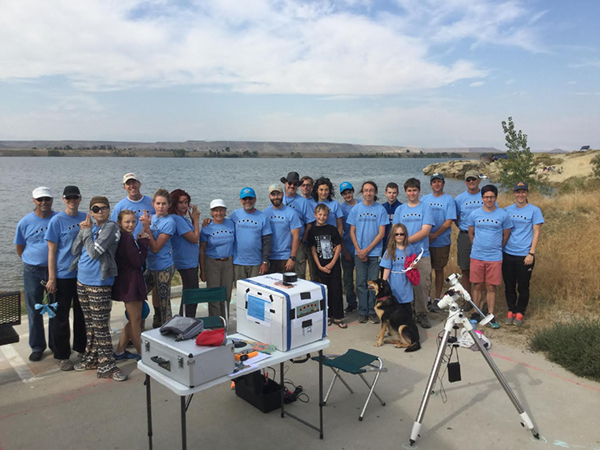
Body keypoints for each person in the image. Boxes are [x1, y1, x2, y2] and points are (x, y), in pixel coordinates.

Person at [70, 196, 125, 381]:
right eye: (95, 208)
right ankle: (92, 358)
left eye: (103, 208)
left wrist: (87, 233)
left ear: (109, 211)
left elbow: (94, 253)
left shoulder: (110, 228)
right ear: (91, 212)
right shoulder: (90, 227)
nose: (100, 211)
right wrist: (83, 231)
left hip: (99, 283)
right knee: (90, 325)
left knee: (101, 327)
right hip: (82, 280)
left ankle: (108, 365)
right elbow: (75, 250)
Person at [45, 186, 87, 371]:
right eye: (68, 197)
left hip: (83, 275)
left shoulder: (86, 217)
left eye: (75, 197)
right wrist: (52, 277)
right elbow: (52, 251)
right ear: (63, 199)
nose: (72, 200)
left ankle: (81, 349)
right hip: (62, 276)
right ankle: (63, 355)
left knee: (82, 315)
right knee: (61, 318)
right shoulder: (56, 221)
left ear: (79, 198)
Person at [14, 187, 57, 362]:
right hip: (33, 271)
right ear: (34, 200)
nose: (44, 202)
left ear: (52, 200)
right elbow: (20, 246)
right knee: (34, 310)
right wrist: (32, 259)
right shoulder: (25, 222)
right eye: (40, 199)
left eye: (47, 199)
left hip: (55, 270)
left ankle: (56, 344)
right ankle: (37, 346)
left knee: (55, 309)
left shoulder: (58, 219)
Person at [467, 184, 512, 329]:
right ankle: (475, 312)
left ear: (496, 198)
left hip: (494, 256)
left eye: (492, 197)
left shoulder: (503, 215)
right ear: (482, 198)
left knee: (490, 286)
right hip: (477, 255)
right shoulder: (475, 214)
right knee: (478, 285)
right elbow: (471, 233)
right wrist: (478, 246)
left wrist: (495, 247)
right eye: (486, 197)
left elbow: (506, 235)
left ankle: (490, 314)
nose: (489, 199)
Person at [392, 178, 435, 329]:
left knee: (422, 285)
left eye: (414, 190)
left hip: (420, 254)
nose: (412, 193)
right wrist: (401, 244)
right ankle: (406, 313)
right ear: (405, 192)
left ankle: (422, 313)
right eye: (409, 190)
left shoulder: (426, 208)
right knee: (403, 285)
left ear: (419, 191)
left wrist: (405, 240)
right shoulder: (400, 210)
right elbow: (395, 230)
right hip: (402, 255)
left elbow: (425, 231)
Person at [502, 182, 544, 326]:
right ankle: (511, 310)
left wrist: (531, 253)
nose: (520, 195)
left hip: (524, 254)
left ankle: (520, 312)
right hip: (508, 253)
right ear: (514, 193)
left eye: (523, 192)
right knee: (509, 285)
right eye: (518, 192)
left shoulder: (534, 210)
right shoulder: (507, 210)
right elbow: (502, 230)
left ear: (527, 193)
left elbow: (536, 232)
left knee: (523, 286)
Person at [347, 181, 388, 324]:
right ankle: (362, 311)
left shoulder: (380, 210)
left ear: (375, 192)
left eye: (371, 190)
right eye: (365, 190)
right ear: (362, 192)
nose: (368, 193)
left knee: (373, 284)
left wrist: (368, 249)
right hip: (359, 253)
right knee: (360, 282)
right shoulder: (356, 209)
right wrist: (359, 250)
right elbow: (352, 231)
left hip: (374, 252)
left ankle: (372, 311)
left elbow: (381, 233)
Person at [112, 210, 149, 360]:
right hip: (131, 282)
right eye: (127, 222)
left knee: (135, 317)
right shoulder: (126, 239)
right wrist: (144, 243)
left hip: (128, 281)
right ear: (120, 222)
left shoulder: (124, 237)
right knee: (135, 320)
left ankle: (120, 350)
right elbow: (138, 262)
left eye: (133, 221)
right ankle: (142, 353)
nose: (131, 225)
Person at [140, 189, 176, 328]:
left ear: (169, 205)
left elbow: (155, 248)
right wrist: (145, 229)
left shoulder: (169, 222)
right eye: (158, 203)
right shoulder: (152, 218)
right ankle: (149, 322)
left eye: (164, 204)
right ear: (153, 204)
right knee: (139, 293)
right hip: (150, 266)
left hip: (163, 268)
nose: (161, 206)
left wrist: (147, 229)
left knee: (163, 302)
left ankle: (168, 328)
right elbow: (143, 239)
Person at [421, 173, 457, 311]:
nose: (437, 184)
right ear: (431, 184)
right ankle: (427, 297)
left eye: (439, 182)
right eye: (434, 182)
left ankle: (437, 298)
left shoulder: (449, 200)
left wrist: (435, 234)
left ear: (443, 183)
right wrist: (426, 234)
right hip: (426, 242)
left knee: (439, 270)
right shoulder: (424, 199)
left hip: (441, 242)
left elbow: (448, 222)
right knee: (426, 271)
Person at [308, 204, 346, 328]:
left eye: (324, 215)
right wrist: (319, 266)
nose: (322, 217)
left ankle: (338, 316)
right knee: (325, 292)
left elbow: (338, 246)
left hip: (333, 266)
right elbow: (313, 249)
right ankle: (327, 315)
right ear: (315, 215)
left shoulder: (332, 229)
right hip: (321, 266)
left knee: (336, 291)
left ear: (328, 216)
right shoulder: (313, 231)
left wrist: (332, 263)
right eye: (319, 215)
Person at [200, 199, 235, 318]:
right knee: (213, 294)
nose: (218, 213)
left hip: (228, 263)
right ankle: (215, 322)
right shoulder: (206, 226)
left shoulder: (231, 223)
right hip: (212, 263)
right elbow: (202, 250)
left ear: (225, 211)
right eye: (215, 210)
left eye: (221, 210)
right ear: (211, 212)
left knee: (226, 294)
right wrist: (202, 270)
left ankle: (224, 320)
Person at [168, 189, 200, 317]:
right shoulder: (177, 219)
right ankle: (186, 320)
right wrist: (197, 220)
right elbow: (194, 238)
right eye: (181, 202)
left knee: (190, 293)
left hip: (190, 261)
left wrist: (192, 220)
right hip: (186, 262)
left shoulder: (182, 218)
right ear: (174, 203)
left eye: (186, 202)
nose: (184, 205)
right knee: (192, 295)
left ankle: (185, 320)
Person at [229, 187, 273, 280]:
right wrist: (208, 221)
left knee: (256, 292)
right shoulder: (234, 215)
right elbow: (222, 225)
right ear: (240, 200)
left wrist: (265, 262)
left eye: (250, 198)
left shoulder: (263, 217)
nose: (247, 201)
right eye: (245, 199)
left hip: (257, 263)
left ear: (255, 199)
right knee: (240, 291)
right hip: (238, 262)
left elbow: (267, 242)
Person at [281, 172, 315, 279]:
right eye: (290, 183)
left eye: (295, 184)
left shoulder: (303, 202)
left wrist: (303, 240)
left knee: (299, 275)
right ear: (285, 184)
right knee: (282, 275)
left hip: (298, 244)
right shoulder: (278, 199)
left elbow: (309, 223)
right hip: (282, 244)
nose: (292, 186)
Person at [454, 170, 483, 296]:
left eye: (473, 179)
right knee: (465, 268)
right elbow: (456, 217)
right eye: (468, 180)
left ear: (479, 180)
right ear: (465, 182)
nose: (471, 182)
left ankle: (482, 299)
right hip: (465, 236)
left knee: (482, 269)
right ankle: (468, 298)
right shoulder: (460, 198)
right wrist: (464, 228)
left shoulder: (486, 195)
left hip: (483, 236)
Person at [263, 184, 301, 274]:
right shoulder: (264, 214)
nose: (276, 197)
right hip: (269, 258)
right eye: (273, 194)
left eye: (278, 194)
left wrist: (292, 258)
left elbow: (296, 237)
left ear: (283, 194)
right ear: (269, 196)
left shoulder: (291, 213)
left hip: (286, 258)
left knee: (288, 286)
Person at [380, 223, 415, 319]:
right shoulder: (390, 250)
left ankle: (408, 322)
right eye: (396, 234)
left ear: (405, 235)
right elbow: (387, 268)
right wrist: (384, 281)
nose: (399, 236)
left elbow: (414, 262)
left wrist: (414, 265)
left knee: (406, 304)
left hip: (406, 280)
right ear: (393, 236)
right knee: (394, 304)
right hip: (394, 280)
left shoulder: (410, 248)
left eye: (401, 234)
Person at [111, 173, 155, 238]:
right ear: (124, 187)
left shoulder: (152, 203)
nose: (131, 186)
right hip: (129, 245)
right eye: (128, 184)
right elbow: (113, 229)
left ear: (139, 184)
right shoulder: (119, 207)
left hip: (149, 244)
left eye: (134, 182)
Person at [339, 181, 358, 314]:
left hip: (361, 250)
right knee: (348, 280)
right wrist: (344, 251)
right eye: (345, 193)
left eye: (349, 192)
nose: (348, 195)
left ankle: (365, 304)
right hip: (347, 248)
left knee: (363, 281)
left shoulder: (362, 204)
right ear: (342, 195)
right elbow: (340, 232)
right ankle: (351, 304)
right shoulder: (341, 209)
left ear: (353, 191)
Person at [381, 182, 402, 256]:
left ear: (397, 193)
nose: (391, 195)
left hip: (397, 241)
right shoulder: (381, 208)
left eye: (394, 193)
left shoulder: (401, 207)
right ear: (385, 193)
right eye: (389, 192)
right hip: (383, 241)